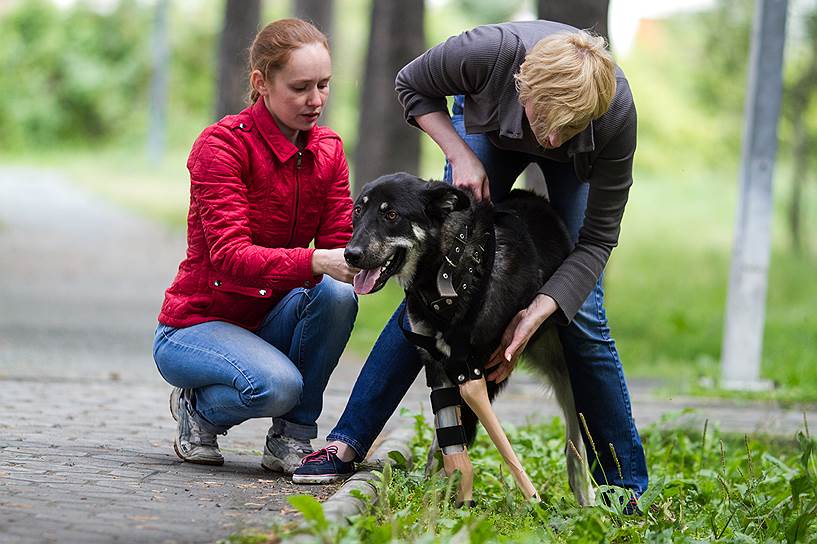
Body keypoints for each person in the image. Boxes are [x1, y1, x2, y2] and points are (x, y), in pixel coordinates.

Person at [294, 20, 649, 496]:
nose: (549, 139)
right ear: (522, 84)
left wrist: (543, 308)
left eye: (566, 127)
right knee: (435, 286)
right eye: (543, 120)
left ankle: (625, 488)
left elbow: (598, 242)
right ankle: (348, 441)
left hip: (580, 157)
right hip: (485, 134)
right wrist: (459, 153)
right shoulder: (488, 53)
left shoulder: (612, 116)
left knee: (582, 314)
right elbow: (410, 84)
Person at [152, 18, 358, 474]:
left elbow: (340, 249)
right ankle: (197, 412)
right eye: (301, 87)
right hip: (197, 327)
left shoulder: (328, 150)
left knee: (338, 293)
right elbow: (230, 256)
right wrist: (317, 261)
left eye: (324, 85)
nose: (316, 100)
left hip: (269, 320)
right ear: (260, 83)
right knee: (277, 386)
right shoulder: (222, 145)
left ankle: (292, 437)